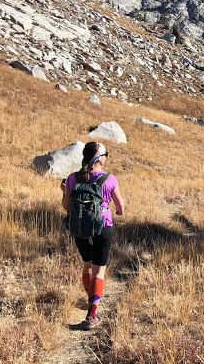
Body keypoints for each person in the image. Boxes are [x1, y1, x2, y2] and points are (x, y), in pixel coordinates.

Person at [61, 141, 124, 330]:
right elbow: (120, 205)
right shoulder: (109, 179)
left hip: (79, 226)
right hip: (103, 227)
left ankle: (91, 298)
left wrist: (65, 193)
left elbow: (66, 207)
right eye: (105, 154)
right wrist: (118, 209)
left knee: (87, 265)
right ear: (98, 158)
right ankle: (91, 314)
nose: (106, 158)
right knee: (99, 271)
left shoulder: (73, 178)